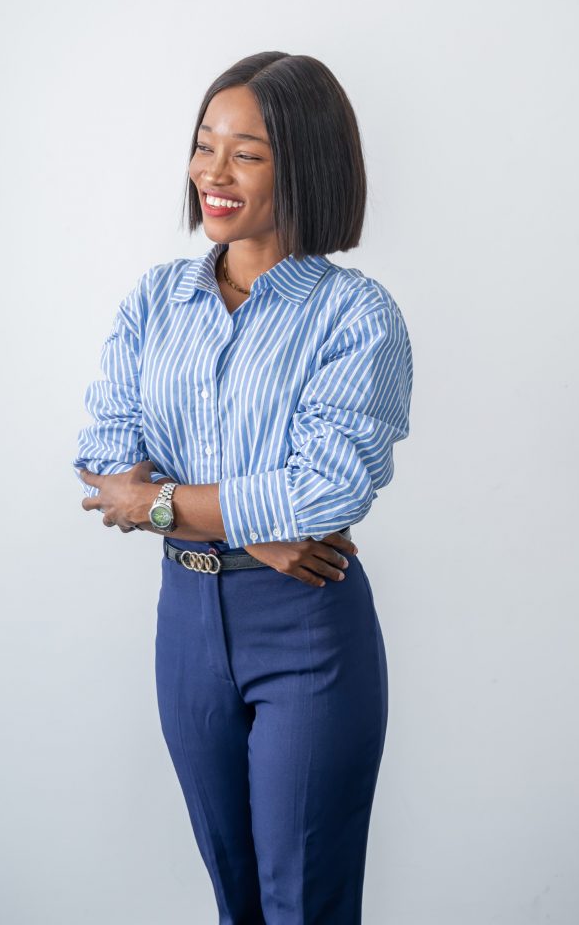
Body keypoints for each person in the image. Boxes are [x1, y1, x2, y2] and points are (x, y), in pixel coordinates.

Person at [73, 50, 413, 924]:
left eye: (246, 154)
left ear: (302, 166)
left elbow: (325, 491)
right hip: (185, 623)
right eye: (203, 146)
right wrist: (252, 526)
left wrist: (159, 504)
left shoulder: (355, 314)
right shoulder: (156, 300)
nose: (212, 174)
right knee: (236, 897)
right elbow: (104, 458)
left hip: (304, 622)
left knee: (302, 901)